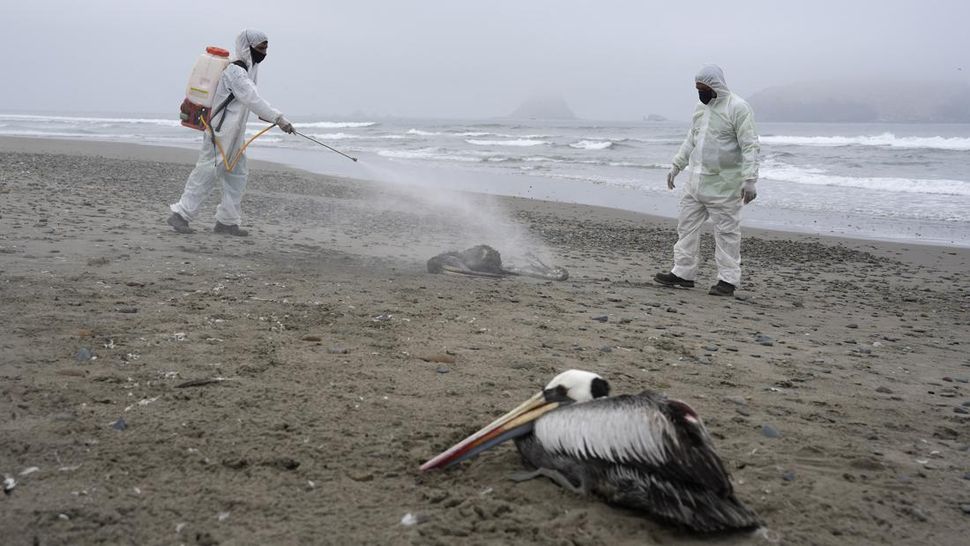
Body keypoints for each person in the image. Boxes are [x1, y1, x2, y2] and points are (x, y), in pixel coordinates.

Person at [167, 29, 294, 236]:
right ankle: (180, 214)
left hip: (234, 135)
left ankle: (227, 222)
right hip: (219, 133)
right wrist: (279, 119)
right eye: (261, 48)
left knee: (237, 176)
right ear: (247, 46)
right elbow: (252, 99)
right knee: (206, 173)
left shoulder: (249, 70)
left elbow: (249, 101)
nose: (264, 52)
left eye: (266, 48)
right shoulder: (235, 71)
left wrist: (273, 117)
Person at [654, 64, 760, 297]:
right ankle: (682, 273)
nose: (700, 93)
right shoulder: (700, 109)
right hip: (696, 182)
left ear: (716, 86)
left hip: (724, 185)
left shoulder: (738, 108)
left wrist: (750, 179)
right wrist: (676, 165)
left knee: (727, 233)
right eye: (697, 88)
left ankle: (727, 280)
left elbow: (750, 145)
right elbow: (691, 140)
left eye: (704, 88)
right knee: (686, 227)